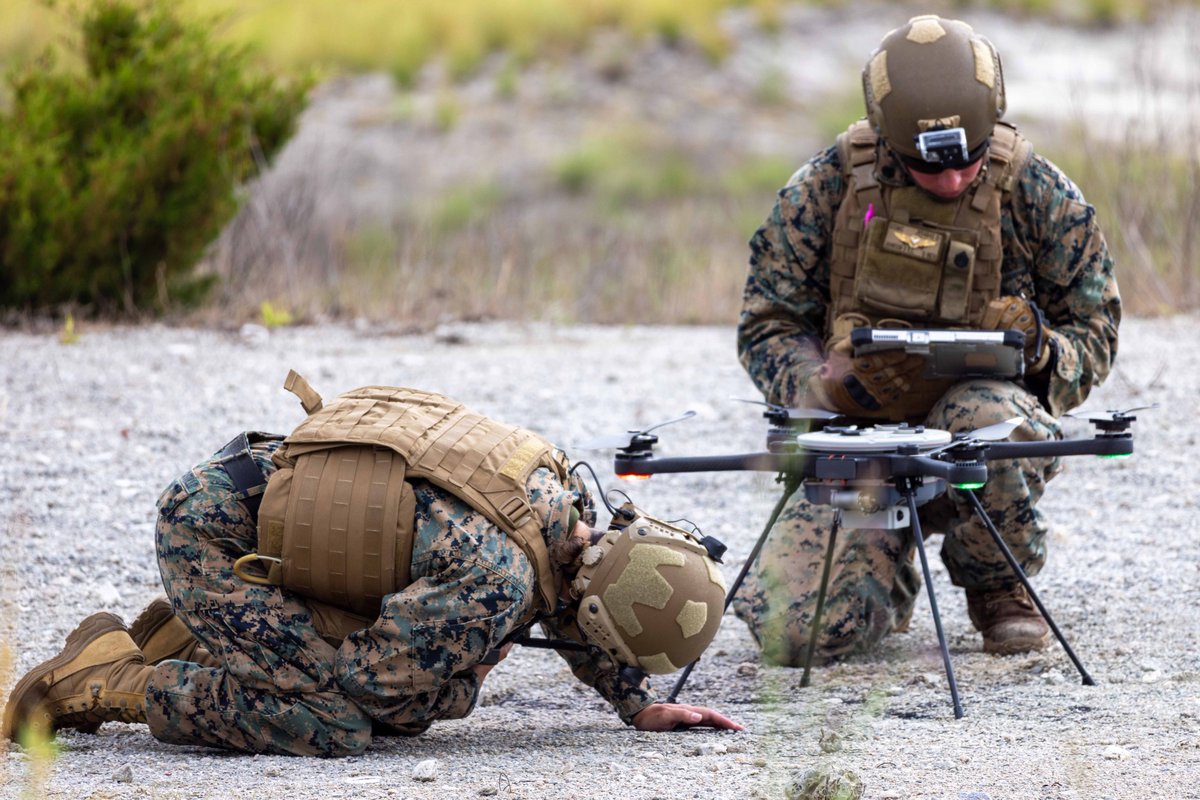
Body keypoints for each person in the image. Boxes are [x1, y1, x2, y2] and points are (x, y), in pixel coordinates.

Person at [3, 373, 741, 756]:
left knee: (367, 659)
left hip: (246, 494)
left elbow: (576, 588)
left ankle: (202, 643)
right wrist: (463, 685)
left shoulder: (558, 497)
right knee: (330, 724)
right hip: (213, 546)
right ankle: (100, 676)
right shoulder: (498, 581)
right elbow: (370, 689)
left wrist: (631, 698)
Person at [733, 16, 1120, 665]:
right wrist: (820, 384)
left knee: (991, 422)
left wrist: (1039, 347)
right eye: (926, 168)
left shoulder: (1037, 192)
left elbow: (1096, 332)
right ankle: (882, 569)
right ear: (889, 142)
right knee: (795, 636)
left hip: (978, 433)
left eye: (968, 161)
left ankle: (997, 581)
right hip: (859, 441)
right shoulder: (827, 187)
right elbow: (767, 324)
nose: (951, 181)